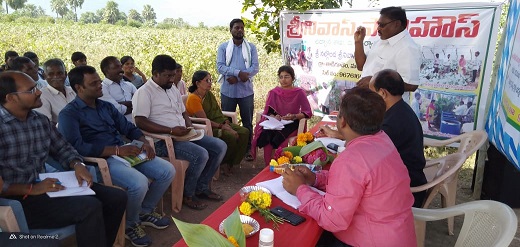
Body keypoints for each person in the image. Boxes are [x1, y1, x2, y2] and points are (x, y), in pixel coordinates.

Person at [0, 71, 127, 247]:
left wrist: (77, 164)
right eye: (31, 90)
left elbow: (63, 148)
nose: (38, 92)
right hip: (18, 200)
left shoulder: (40, 121)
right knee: (89, 207)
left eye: (36, 87)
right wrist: (32, 188)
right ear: (11, 98)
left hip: (44, 187)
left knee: (116, 197)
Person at [282, 87, 416, 247]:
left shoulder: (351, 160)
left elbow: (331, 219)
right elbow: (356, 184)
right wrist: (316, 178)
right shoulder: (383, 140)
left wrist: (300, 189)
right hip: (398, 234)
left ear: (342, 121)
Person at [58, 65, 175, 247]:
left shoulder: (105, 106)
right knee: (139, 183)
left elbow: (128, 128)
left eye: (99, 81)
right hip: (101, 161)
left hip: (125, 152)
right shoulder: (69, 114)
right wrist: (116, 151)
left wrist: (143, 141)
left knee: (167, 171)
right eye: (94, 83)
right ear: (79, 87)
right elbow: (76, 146)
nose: (100, 85)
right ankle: (130, 224)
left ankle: (144, 211)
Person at [133, 55, 226, 211]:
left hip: (182, 134)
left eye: (173, 75)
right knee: (200, 154)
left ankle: (201, 187)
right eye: (167, 76)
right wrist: (170, 130)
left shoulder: (172, 89)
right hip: (163, 141)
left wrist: (190, 127)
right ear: (155, 73)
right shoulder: (144, 92)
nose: (172, 79)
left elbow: (183, 113)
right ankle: (187, 195)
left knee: (220, 146)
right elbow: (140, 121)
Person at [369, 69, 427, 207]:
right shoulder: (400, 109)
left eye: (371, 93)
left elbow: (369, 154)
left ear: (383, 93)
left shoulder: (395, 122)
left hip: (406, 189)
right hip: (408, 177)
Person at [185, 70, 249, 175]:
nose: (210, 82)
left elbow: (217, 112)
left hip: (219, 122)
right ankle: (222, 163)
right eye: (207, 80)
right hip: (205, 128)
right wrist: (222, 126)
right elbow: (204, 121)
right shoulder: (193, 98)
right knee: (230, 136)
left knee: (244, 132)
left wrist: (225, 122)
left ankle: (232, 162)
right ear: (197, 83)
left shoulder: (208, 94)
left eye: (211, 80)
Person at [354, 6, 421, 103]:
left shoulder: (408, 48)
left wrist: (375, 82)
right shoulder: (381, 41)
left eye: (382, 25)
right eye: (378, 24)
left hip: (386, 109)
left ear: (397, 24)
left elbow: (411, 85)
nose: (378, 28)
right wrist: (358, 42)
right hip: (368, 103)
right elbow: (361, 66)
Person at [251, 65, 312, 166]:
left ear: (293, 78)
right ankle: (269, 165)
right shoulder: (274, 93)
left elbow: (307, 112)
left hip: (292, 122)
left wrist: (294, 116)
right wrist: (275, 116)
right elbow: (269, 111)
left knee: (280, 138)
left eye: (287, 76)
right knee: (267, 136)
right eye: (281, 77)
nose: (283, 80)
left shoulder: (299, 92)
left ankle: (282, 164)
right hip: (275, 122)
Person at [217, 18, 260, 161]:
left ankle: (248, 149)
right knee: (227, 121)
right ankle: (229, 151)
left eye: (241, 28)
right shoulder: (223, 47)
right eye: (236, 28)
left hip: (246, 91)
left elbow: (254, 68)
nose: (239, 30)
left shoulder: (251, 47)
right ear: (231, 30)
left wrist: (239, 78)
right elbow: (220, 67)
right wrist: (237, 73)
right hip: (228, 91)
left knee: (247, 121)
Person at [34, 58, 76, 125]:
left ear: (65, 74)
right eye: (51, 74)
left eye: (60, 73)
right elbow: (46, 123)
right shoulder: (42, 95)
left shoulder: (73, 91)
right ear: (44, 76)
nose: (56, 76)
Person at [99, 56, 137, 122]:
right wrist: (134, 106)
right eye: (116, 67)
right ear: (106, 71)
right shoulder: (102, 88)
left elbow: (141, 102)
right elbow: (116, 110)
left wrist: (121, 103)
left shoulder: (129, 85)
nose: (121, 70)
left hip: (137, 126)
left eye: (120, 66)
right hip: (118, 130)